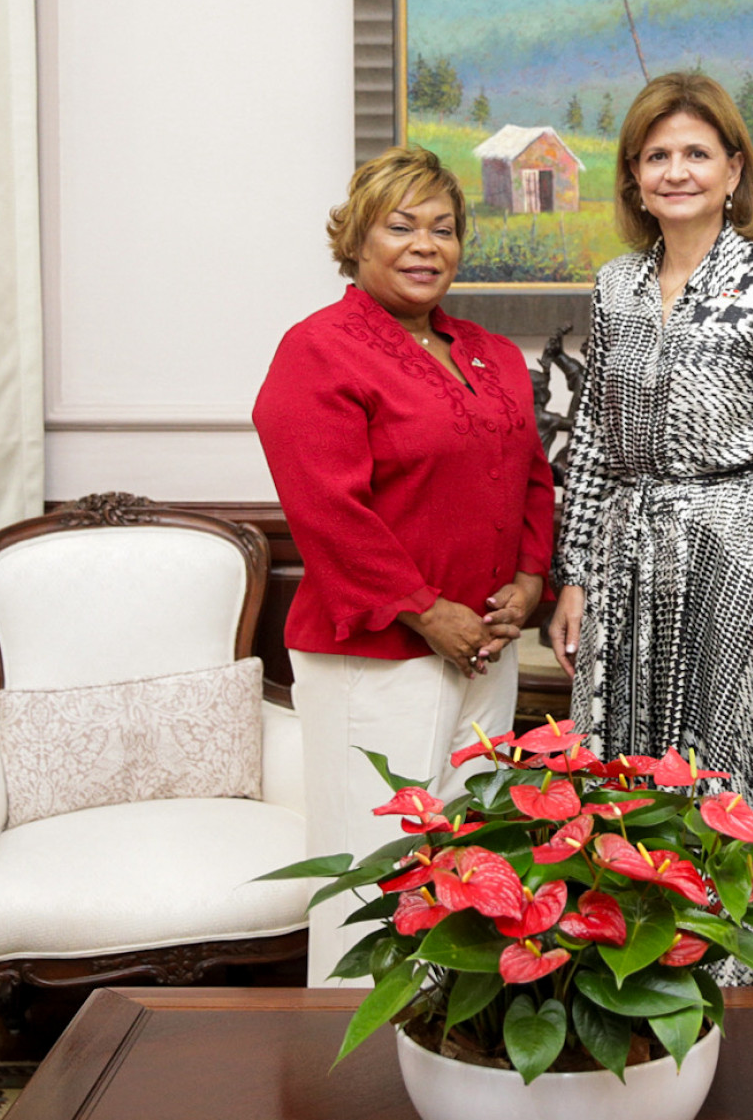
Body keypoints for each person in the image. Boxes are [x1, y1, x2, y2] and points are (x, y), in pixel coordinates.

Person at [547, 72, 753, 984]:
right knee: (630, 784)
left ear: (733, 170)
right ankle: (638, 995)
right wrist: (575, 576)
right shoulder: (615, 287)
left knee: (743, 783)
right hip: (626, 563)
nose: (676, 170)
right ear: (634, 178)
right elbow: (595, 441)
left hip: (738, 562)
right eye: (657, 155)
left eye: (696, 152)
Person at [253, 145, 556, 985]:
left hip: (485, 648)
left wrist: (530, 580)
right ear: (355, 240)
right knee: (374, 878)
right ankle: (357, 1060)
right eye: (401, 226)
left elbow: (532, 473)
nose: (427, 245)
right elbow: (326, 508)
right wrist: (425, 608)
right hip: (376, 655)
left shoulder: (491, 353)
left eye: (444, 228)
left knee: (471, 871)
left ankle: (448, 1052)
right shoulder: (318, 350)